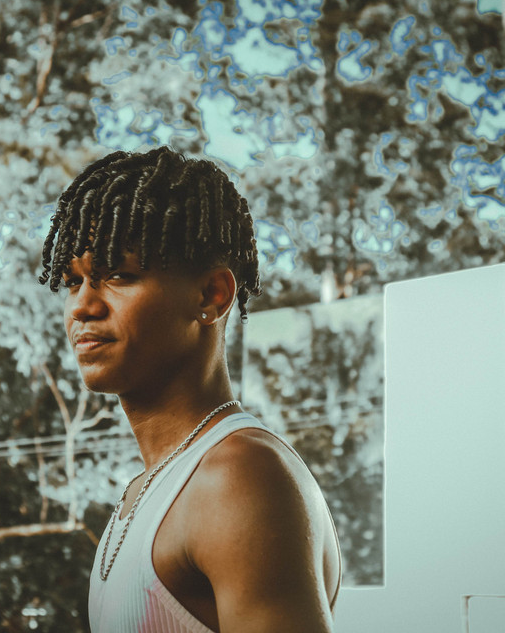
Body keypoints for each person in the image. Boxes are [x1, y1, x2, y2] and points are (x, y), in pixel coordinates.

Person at [40, 146, 341, 632]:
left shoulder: (238, 476)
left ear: (211, 295)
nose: (82, 307)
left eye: (118, 276)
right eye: (73, 282)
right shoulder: (151, 486)